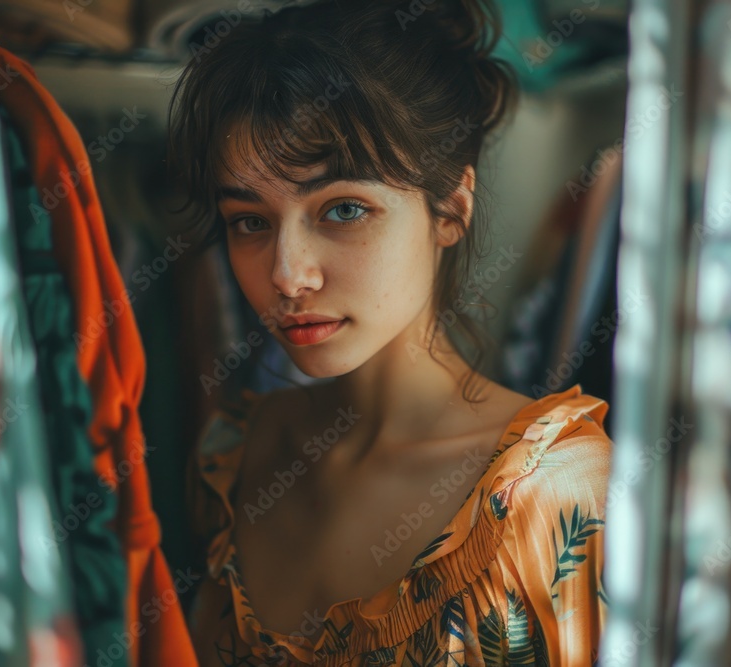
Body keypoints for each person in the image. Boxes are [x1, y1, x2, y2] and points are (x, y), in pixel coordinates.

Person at [169, 1, 613, 664]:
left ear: (450, 209)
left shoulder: (554, 491)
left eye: (343, 209)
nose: (288, 276)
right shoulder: (234, 455)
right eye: (250, 221)